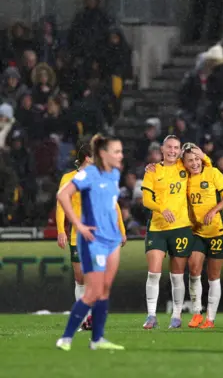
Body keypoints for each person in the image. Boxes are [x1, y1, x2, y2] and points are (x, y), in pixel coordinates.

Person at [55, 134, 125, 351]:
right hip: (92, 239)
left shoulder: (113, 175)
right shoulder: (89, 174)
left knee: (104, 290)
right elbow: (62, 196)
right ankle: (66, 338)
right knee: (92, 291)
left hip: (110, 239)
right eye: (116, 151)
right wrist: (77, 225)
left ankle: (97, 339)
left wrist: (120, 230)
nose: (120, 155)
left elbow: (113, 206)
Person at [141, 135, 210, 329]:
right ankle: (151, 315)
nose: (172, 151)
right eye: (169, 147)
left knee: (177, 275)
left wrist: (197, 151)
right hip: (158, 228)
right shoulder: (153, 171)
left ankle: (177, 315)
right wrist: (162, 209)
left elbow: (206, 162)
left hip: (181, 227)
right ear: (162, 149)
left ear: (180, 150)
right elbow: (146, 200)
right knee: (153, 272)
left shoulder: (185, 167)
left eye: (176, 148)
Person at [180, 143, 223, 329]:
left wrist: (214, 211)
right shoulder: (184, 178)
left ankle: (210, 318)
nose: (194, 163)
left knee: (213, 276)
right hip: (197, 232)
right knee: (193, 270)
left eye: (197, 159)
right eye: (190, 161)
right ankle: (196, 313)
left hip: (217, 232)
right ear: (184, 164)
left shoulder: (213, 173)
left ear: (202, 158)